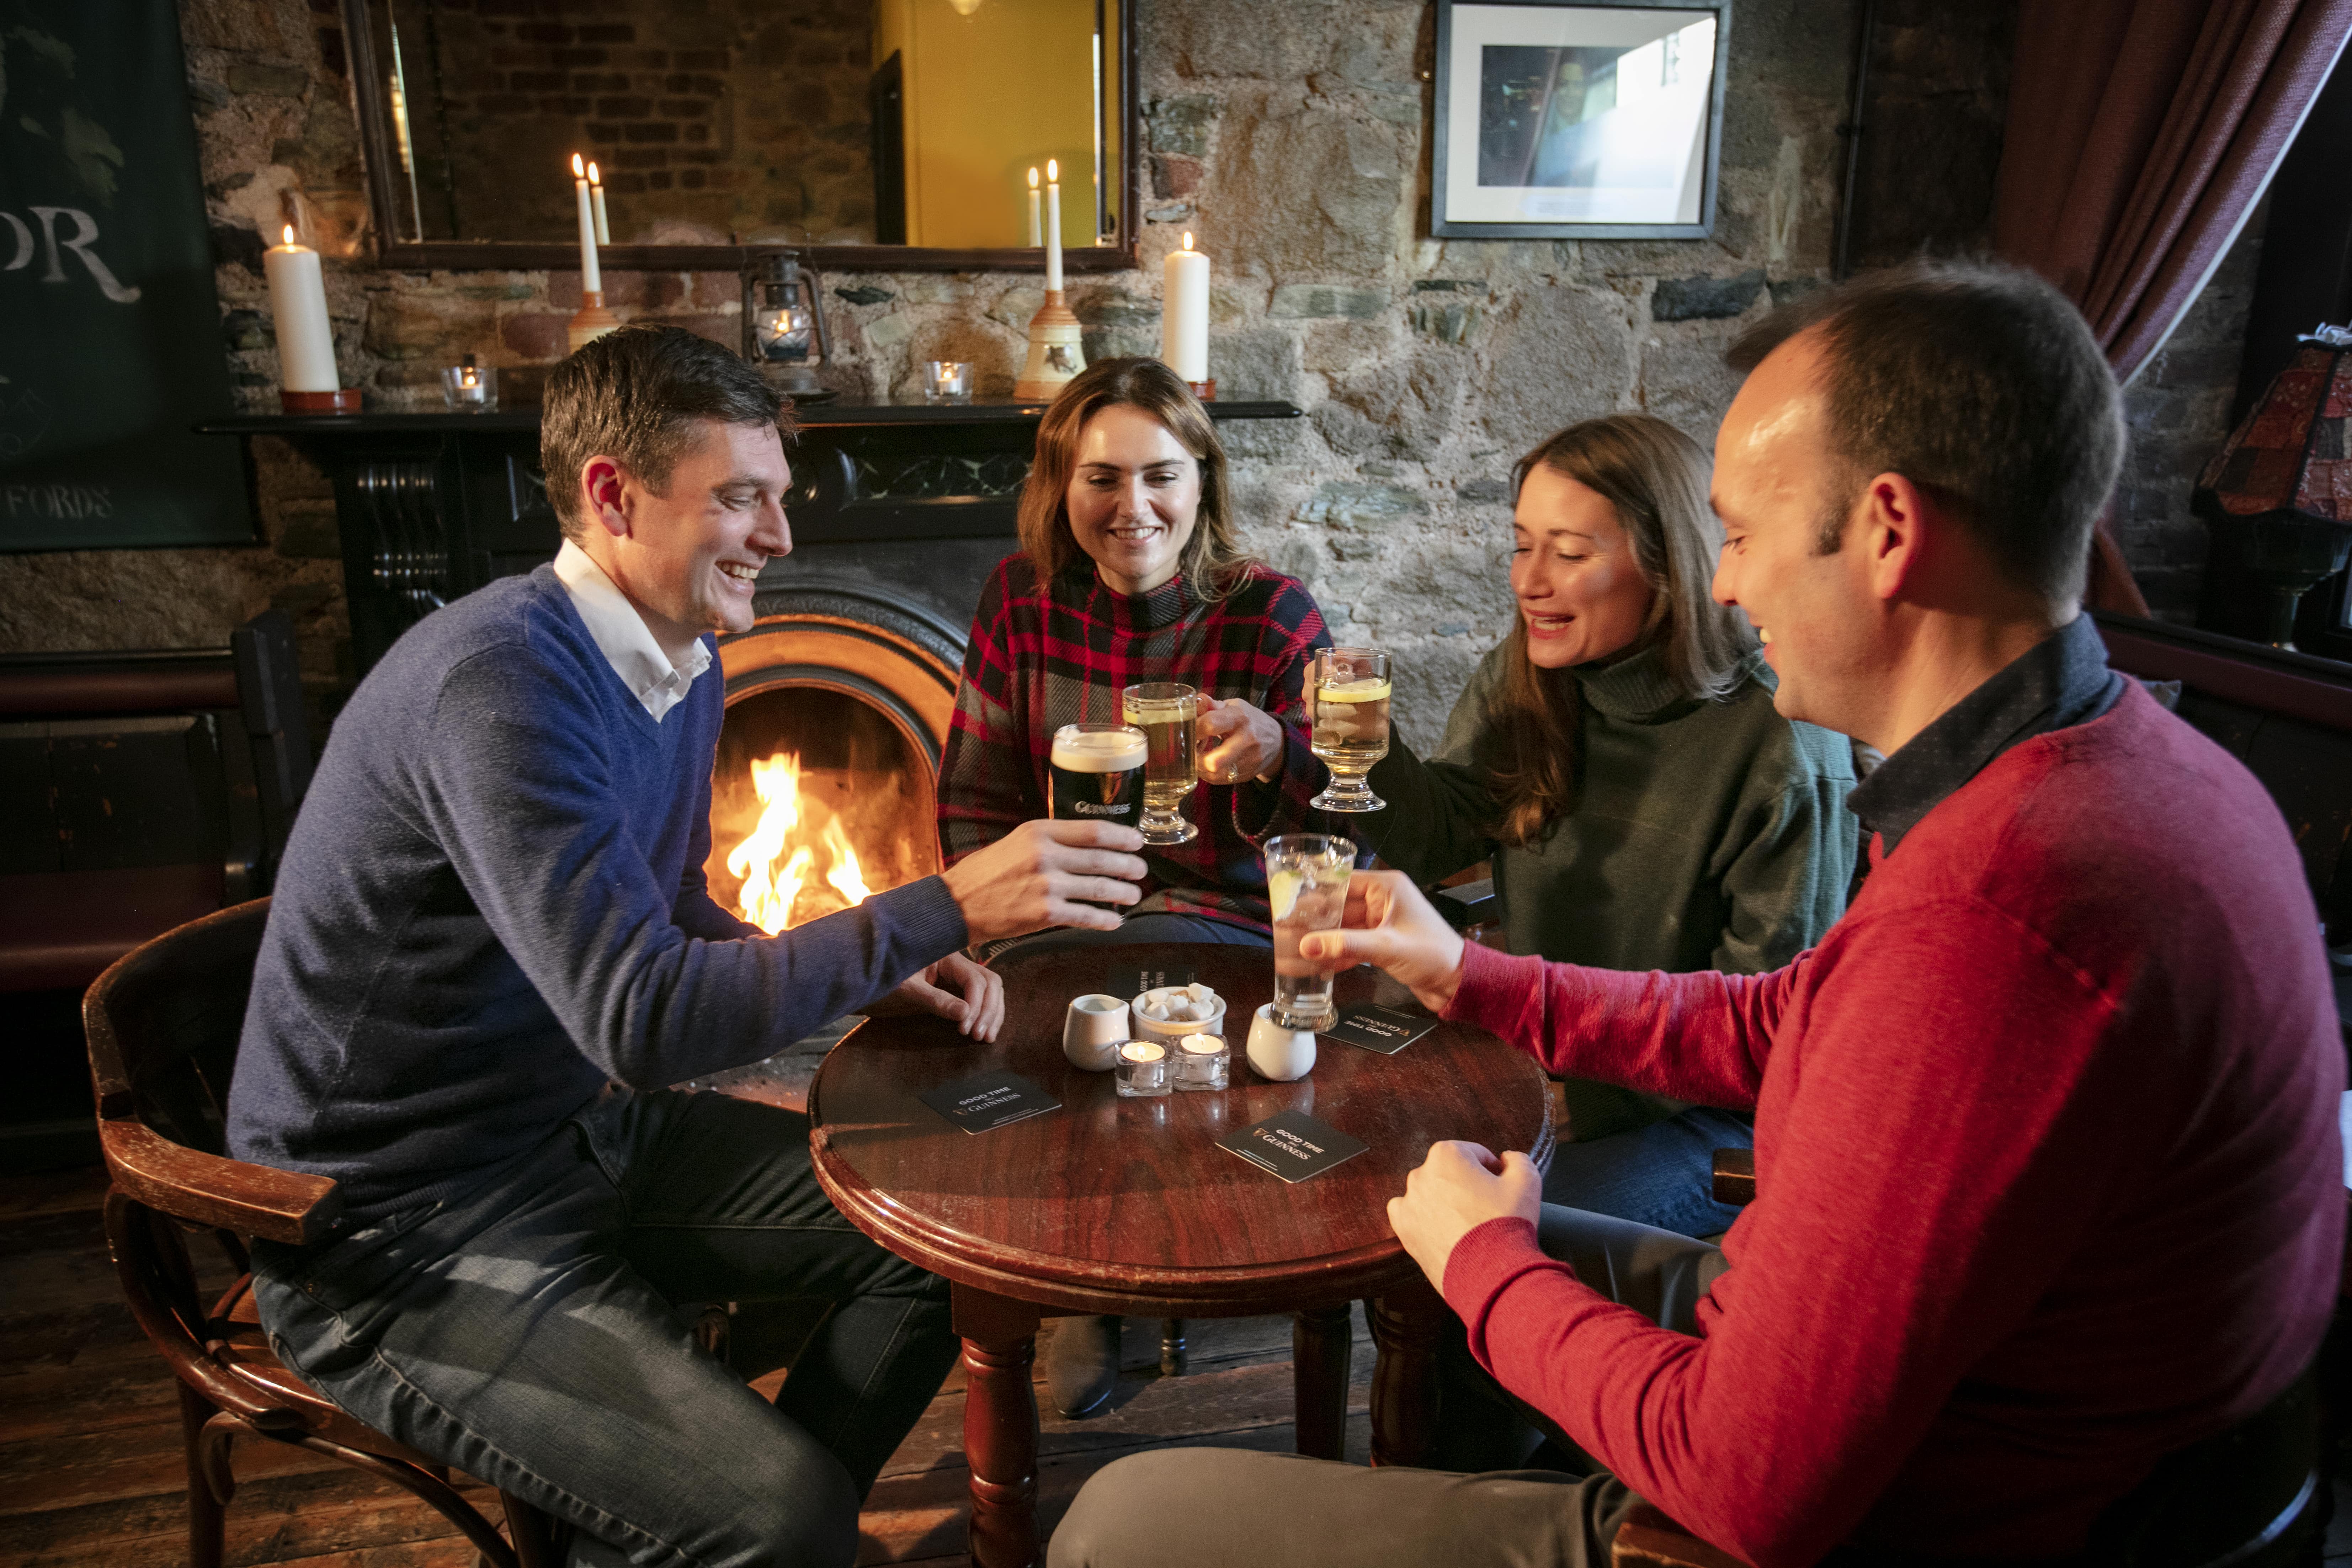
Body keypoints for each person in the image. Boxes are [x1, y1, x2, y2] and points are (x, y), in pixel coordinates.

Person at [1046, 263, 2343, 1568]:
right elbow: (1795, 1015)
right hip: (1972, 1415)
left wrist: (1492, 1269)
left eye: (1737, 532)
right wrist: (1467, 975)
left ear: (1886, 532)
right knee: (1432, 1259)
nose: (1725, 586)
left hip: (1898, 1518)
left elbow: (1748, 1484)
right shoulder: (2135, 772)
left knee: (1118, 1520)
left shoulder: (2002, 914)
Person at [227, 326, 1152, 1568]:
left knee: (956, 1252)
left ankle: (705, 1532)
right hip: (396, 1231)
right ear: (612, 494)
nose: (780, 537)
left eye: (776, 498)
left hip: (569, 1139)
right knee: (781, 1522)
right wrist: (941, 906)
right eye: (740, 499)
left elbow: (665, 903)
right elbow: (643, 1023)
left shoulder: (679, 657)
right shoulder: (500, 687)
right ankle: (752, 1530)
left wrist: (875, 960)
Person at [937, 356, 1336, 1418]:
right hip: (1064, 908)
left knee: (1194, 1024)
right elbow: (974, 799)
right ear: (1058, 489)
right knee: (1041, 1023)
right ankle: (1078, 1279)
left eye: (1159, 475)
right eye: (1099, 479)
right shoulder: (1017, 599)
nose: (1131, 507)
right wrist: (982, 924)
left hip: (1226, 917)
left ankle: (1206, 1247)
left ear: (1202, 479)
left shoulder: (1269, 614)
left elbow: (1345, 823)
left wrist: (1280, 755)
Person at [1358, 412, 1854, 1241]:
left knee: (1494, 1236)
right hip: (1550, 1060)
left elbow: (1764, 1042)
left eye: (1571, 553)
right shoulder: (1530, 674)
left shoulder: (1783, 747)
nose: (1529, 581)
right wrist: (1360, 750)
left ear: (1669, 565)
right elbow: (1437, 840)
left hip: (1703, 1121)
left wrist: (1572, 1095)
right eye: (1522, 545)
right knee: (1375, 1170)